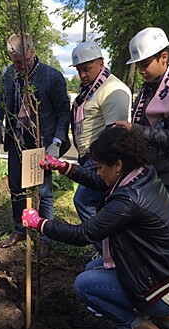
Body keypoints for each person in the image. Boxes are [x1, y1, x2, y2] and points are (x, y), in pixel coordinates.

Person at [22, 127, 169, 329]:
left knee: (85, 286)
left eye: (100, 167)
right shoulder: (142, 174)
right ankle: (168, 322)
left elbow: (83, 234)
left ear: (117, 165)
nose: (97, 172)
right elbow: (101, 182)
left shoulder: (128, 201)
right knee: (92, 268)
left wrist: (40, 223)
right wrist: (63, 167)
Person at [0, 33, 71, 259]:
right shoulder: (8, 74)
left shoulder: (52, 77)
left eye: (21, 61)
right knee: (16, 187)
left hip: (41, 143)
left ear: (31, 52)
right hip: (16, 140)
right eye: (14, 62)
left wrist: (56, 142)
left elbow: (64, 112)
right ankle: (19, 229)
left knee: (44, 192)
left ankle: (45, 238)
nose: (18, 67)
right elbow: (1, 101)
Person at [115, 27, 169, 206]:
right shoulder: (148, 88)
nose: (141, 71)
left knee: (162, 227)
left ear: (164, 57)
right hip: (148, 166)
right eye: (138, 66)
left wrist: (134, 130)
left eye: (145, 64)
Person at [70, 41, 131, 255]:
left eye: (87, 69)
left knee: (83, 201)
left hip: (100, 159)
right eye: (79, 71)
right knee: (98, 206)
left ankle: (109, 252)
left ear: (101, 63)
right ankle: (105, 249)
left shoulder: (113, 90)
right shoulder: (91, 90)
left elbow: (116, 135)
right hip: (89, 157)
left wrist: (103, 164)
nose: (83, 75)